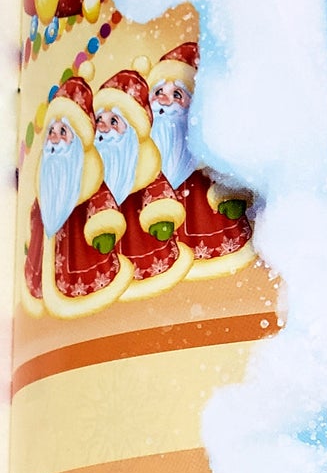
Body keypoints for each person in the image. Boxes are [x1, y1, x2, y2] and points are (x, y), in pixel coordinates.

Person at [23, 75, 132, 317]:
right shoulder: (45, 181)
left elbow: (102, 204)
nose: (54, 138)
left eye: (63, 131)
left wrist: (103, 228)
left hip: (82, 253)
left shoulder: (90, 178)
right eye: (52, 131)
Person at [147, 42, 255, 278]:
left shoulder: (208, 147)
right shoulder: (149, 159)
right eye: (159, 92)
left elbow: (225, 172)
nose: (165, 101)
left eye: (177, 94)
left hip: (207, 207)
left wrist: (231, 197)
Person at [93, 66, 192, 296]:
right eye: (99, 120)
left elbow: (157, 191)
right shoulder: (93, 176)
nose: (104, 129)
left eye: (114, 120)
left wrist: (161, 216)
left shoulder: (147, 166)